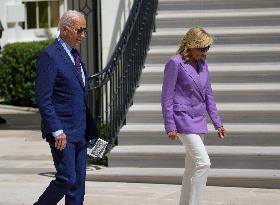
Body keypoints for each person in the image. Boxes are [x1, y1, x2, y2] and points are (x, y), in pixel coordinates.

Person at [34, 10, 98, 205]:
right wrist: (56, 130)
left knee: (78, 186)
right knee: (67, 178)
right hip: (62, 133)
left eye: (85, 30)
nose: (83, 36)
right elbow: (43, 97)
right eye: (80, 31)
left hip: (80, 131)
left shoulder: (75, 55)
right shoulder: (50, 56)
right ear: (65, 29)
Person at [161, 27, 227, 205]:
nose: (205, 53)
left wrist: (217, 123)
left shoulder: (203, 65)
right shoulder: (175, 63)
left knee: (190, 170)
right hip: (182, 119)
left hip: (199, 120)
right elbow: (166, 97)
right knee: (203, 163)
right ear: (190, 45)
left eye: (207, 49)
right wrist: (170, 125)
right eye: (202, 49)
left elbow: (209, 96)